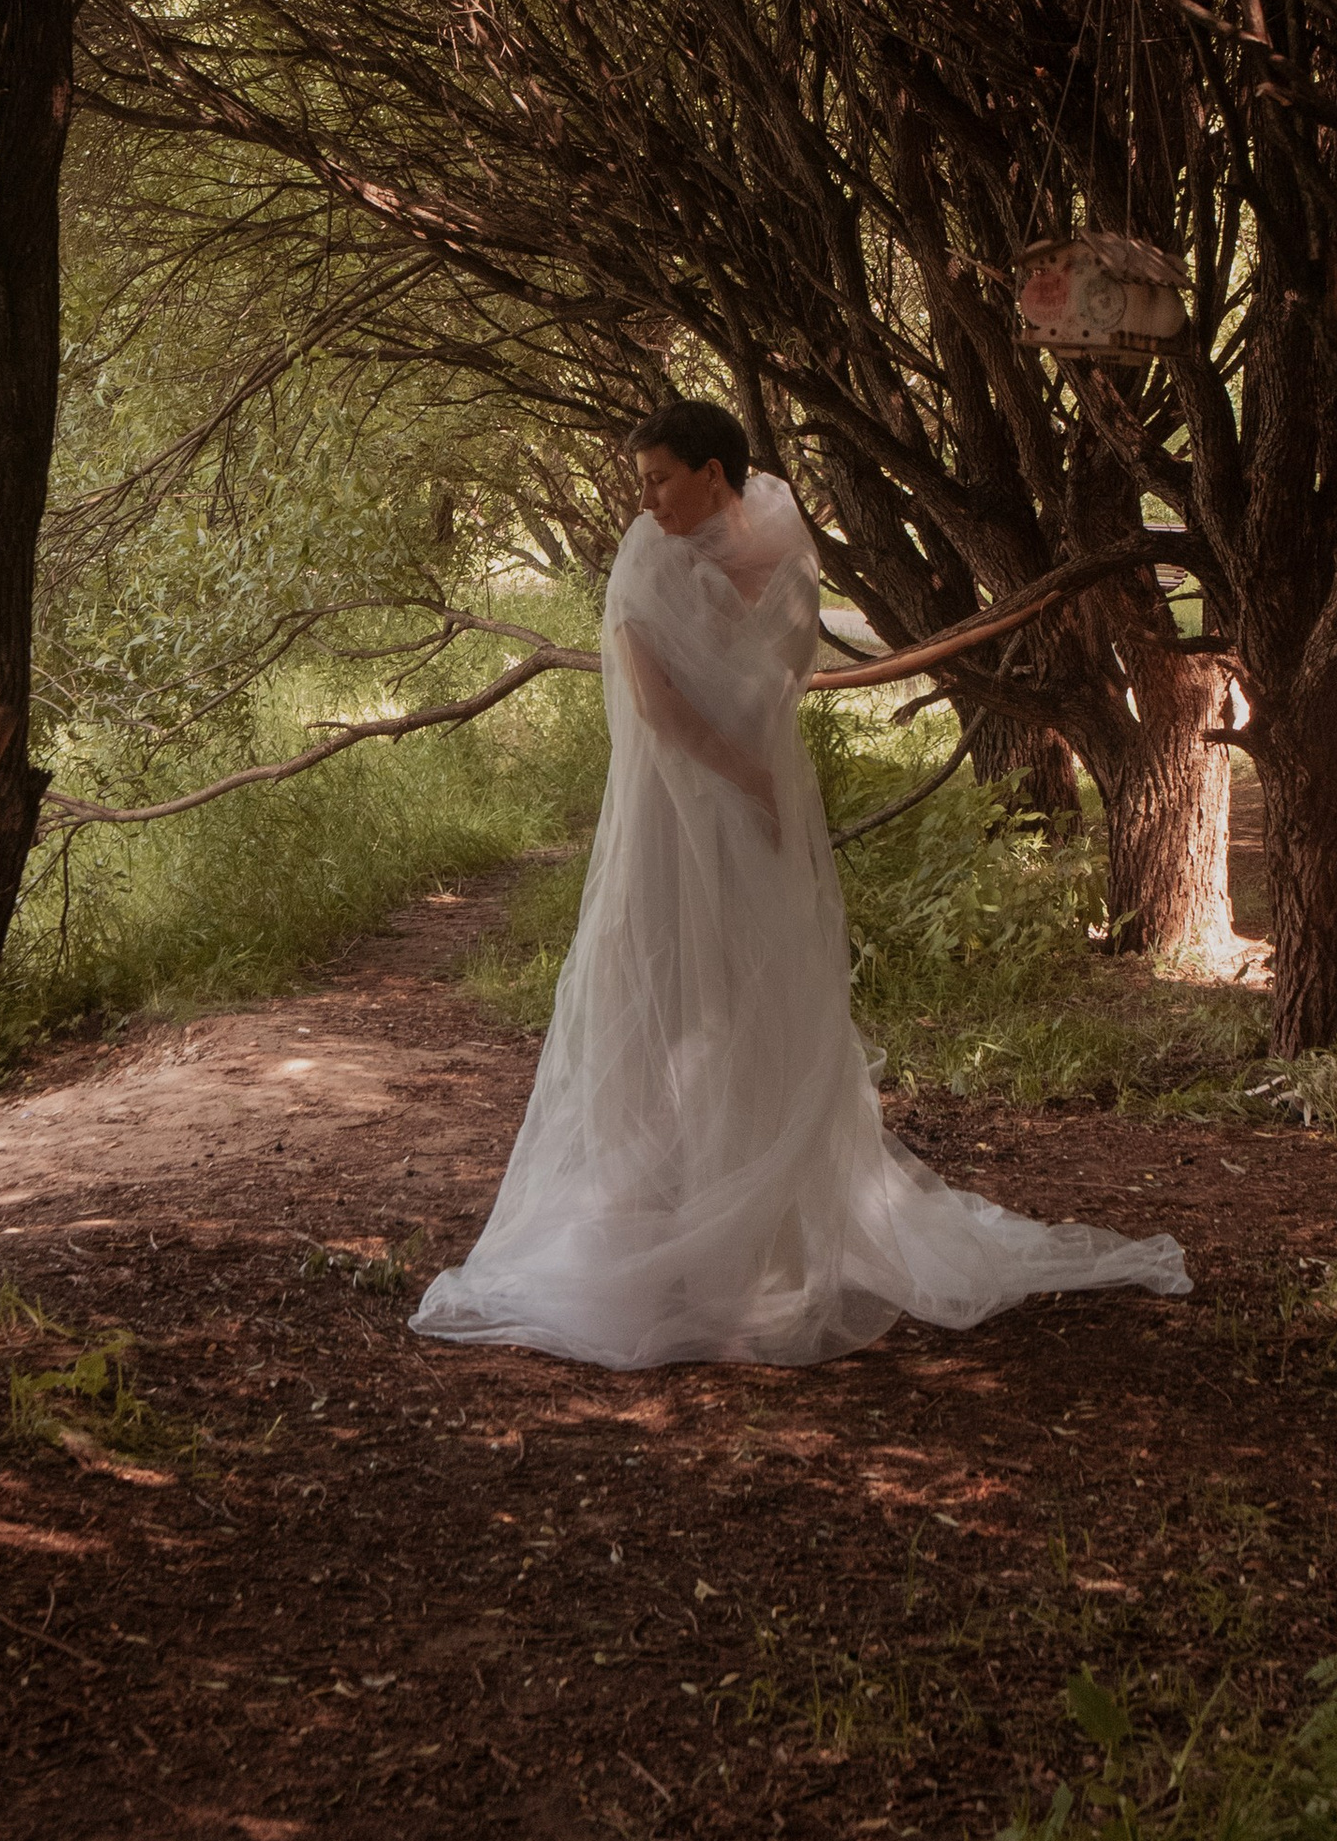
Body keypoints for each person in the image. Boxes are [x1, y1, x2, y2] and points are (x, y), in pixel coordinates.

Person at [411, 400, 1188, 1367]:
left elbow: (776, 678)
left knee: (754, 1006)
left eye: (659, 477)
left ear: (713, 473)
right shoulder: (643, 558)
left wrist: (763, 787)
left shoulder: (783, 542)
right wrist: (753, 784)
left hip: (756, 811)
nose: (644, 499)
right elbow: (656, 709)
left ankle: (759, 1248)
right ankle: (651, 1235)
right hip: (673, 813)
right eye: (641, 481)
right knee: (657, 997)